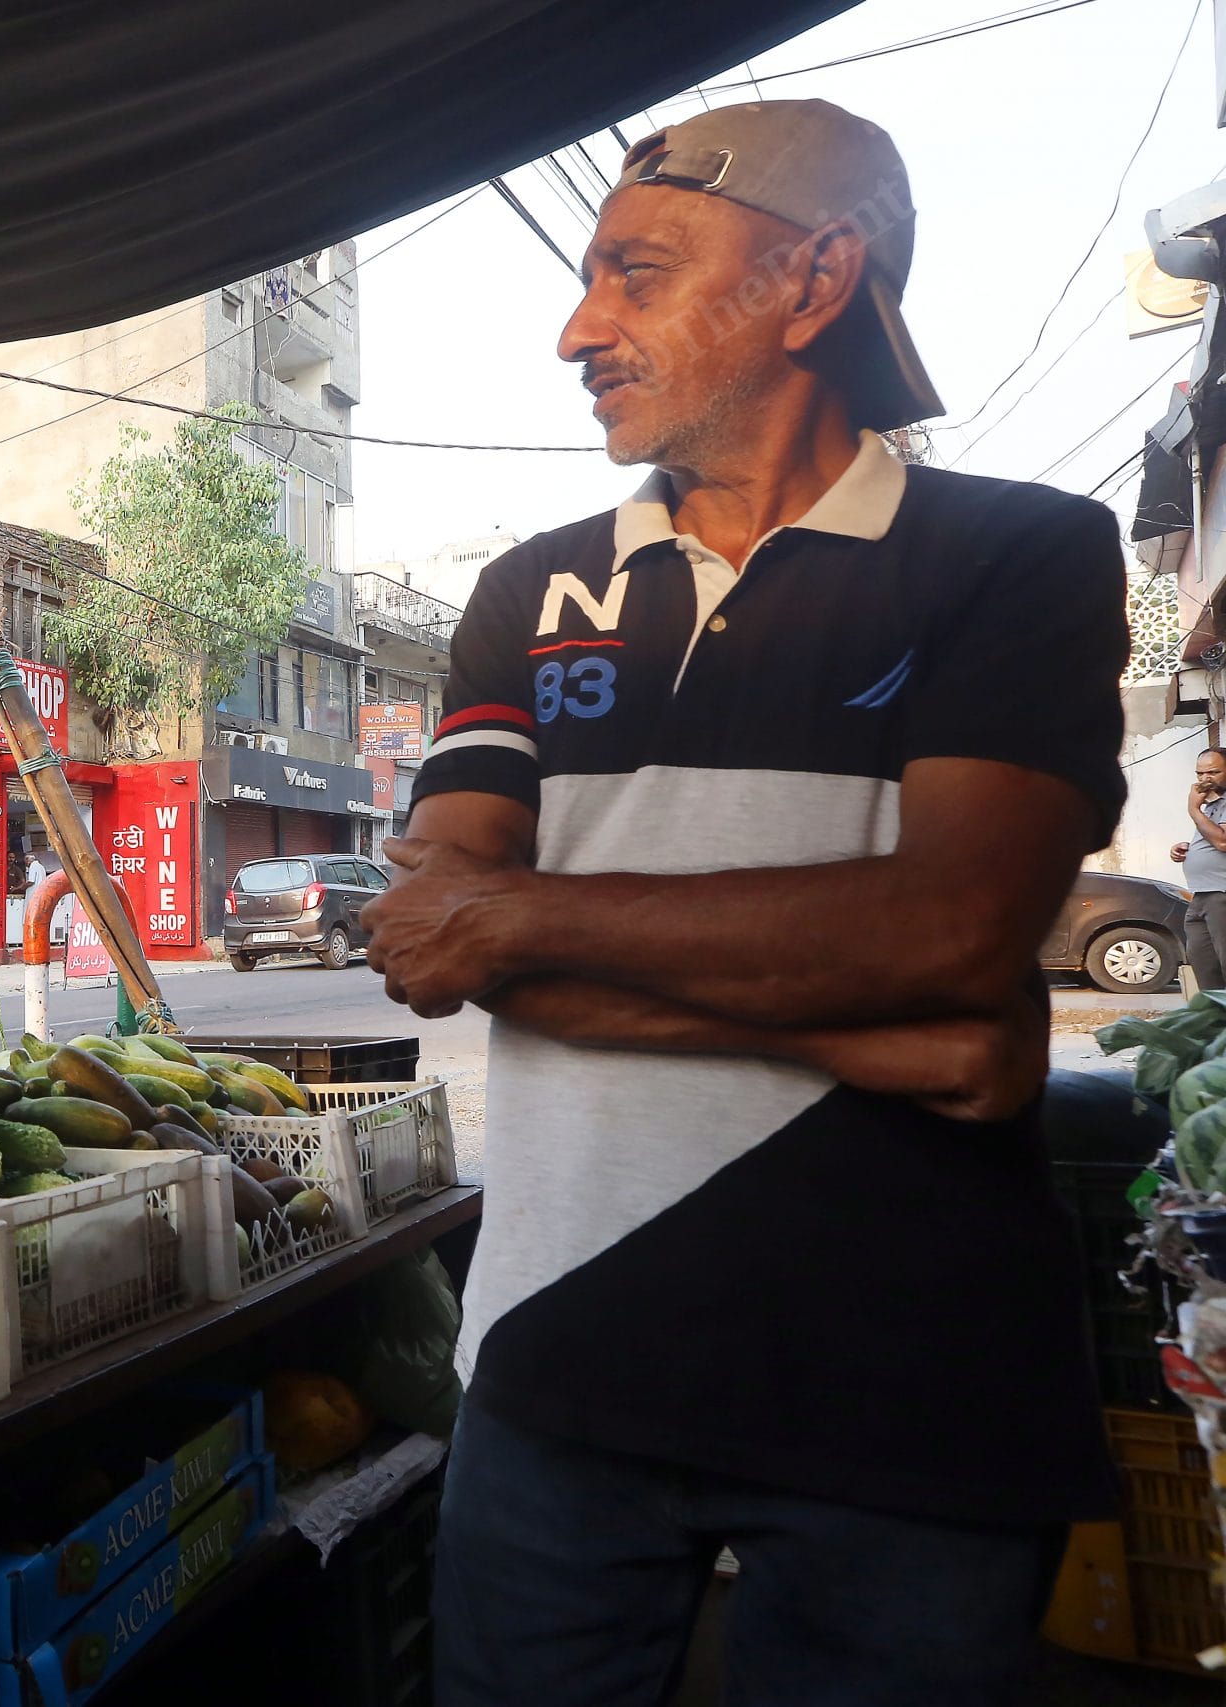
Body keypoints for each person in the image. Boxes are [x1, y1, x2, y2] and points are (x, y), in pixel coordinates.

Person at [365, 102, 1123, 1704]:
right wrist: (899, 1031)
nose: (579, 329)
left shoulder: (1019, 552)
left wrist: (529, 926)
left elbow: (949, 932)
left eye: (637, 273)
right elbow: (436, 933)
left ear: (817, 279)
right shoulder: (533, 586)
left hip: (911, 1386)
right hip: (554, 1355)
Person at [1172, 747, 1226, 989]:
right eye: (1200, 774)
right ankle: (1216, 1022)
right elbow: (1211, 838)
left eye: (1213, 772)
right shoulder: (1211, 806)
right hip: (1201, 894)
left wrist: (1193, 810)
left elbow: (1222, 841)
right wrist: (1187, 848)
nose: (1205, 779)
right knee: (1204, 964)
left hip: (1221, 893)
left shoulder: (1206, 807)